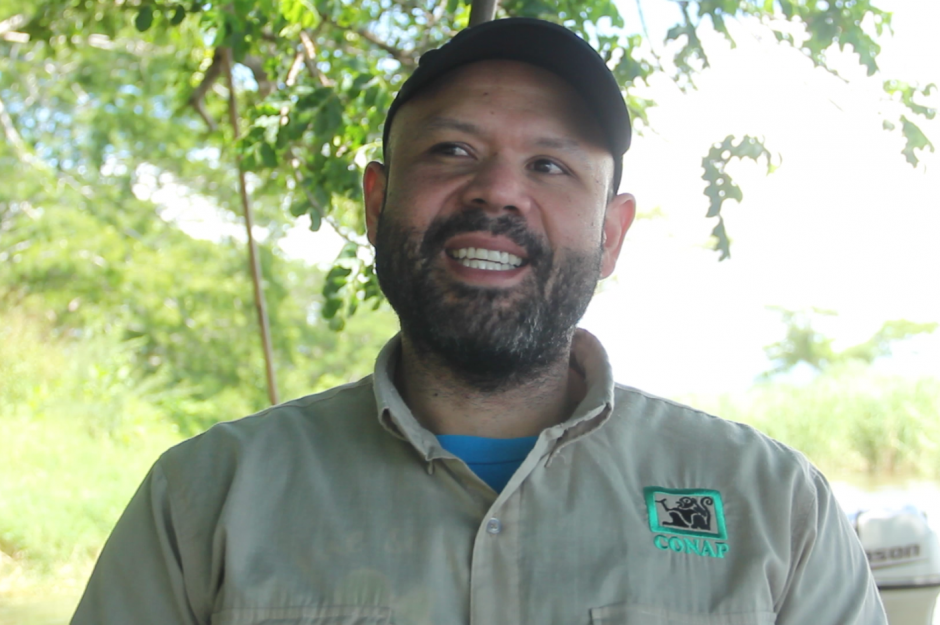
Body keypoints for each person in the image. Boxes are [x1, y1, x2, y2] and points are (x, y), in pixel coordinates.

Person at [72, 17, 886, 625]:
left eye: (550, 164)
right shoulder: (204, 500)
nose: (496, 192)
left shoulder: (777, 509)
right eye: (453, 151)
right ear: (376, 203)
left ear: (610, 235)